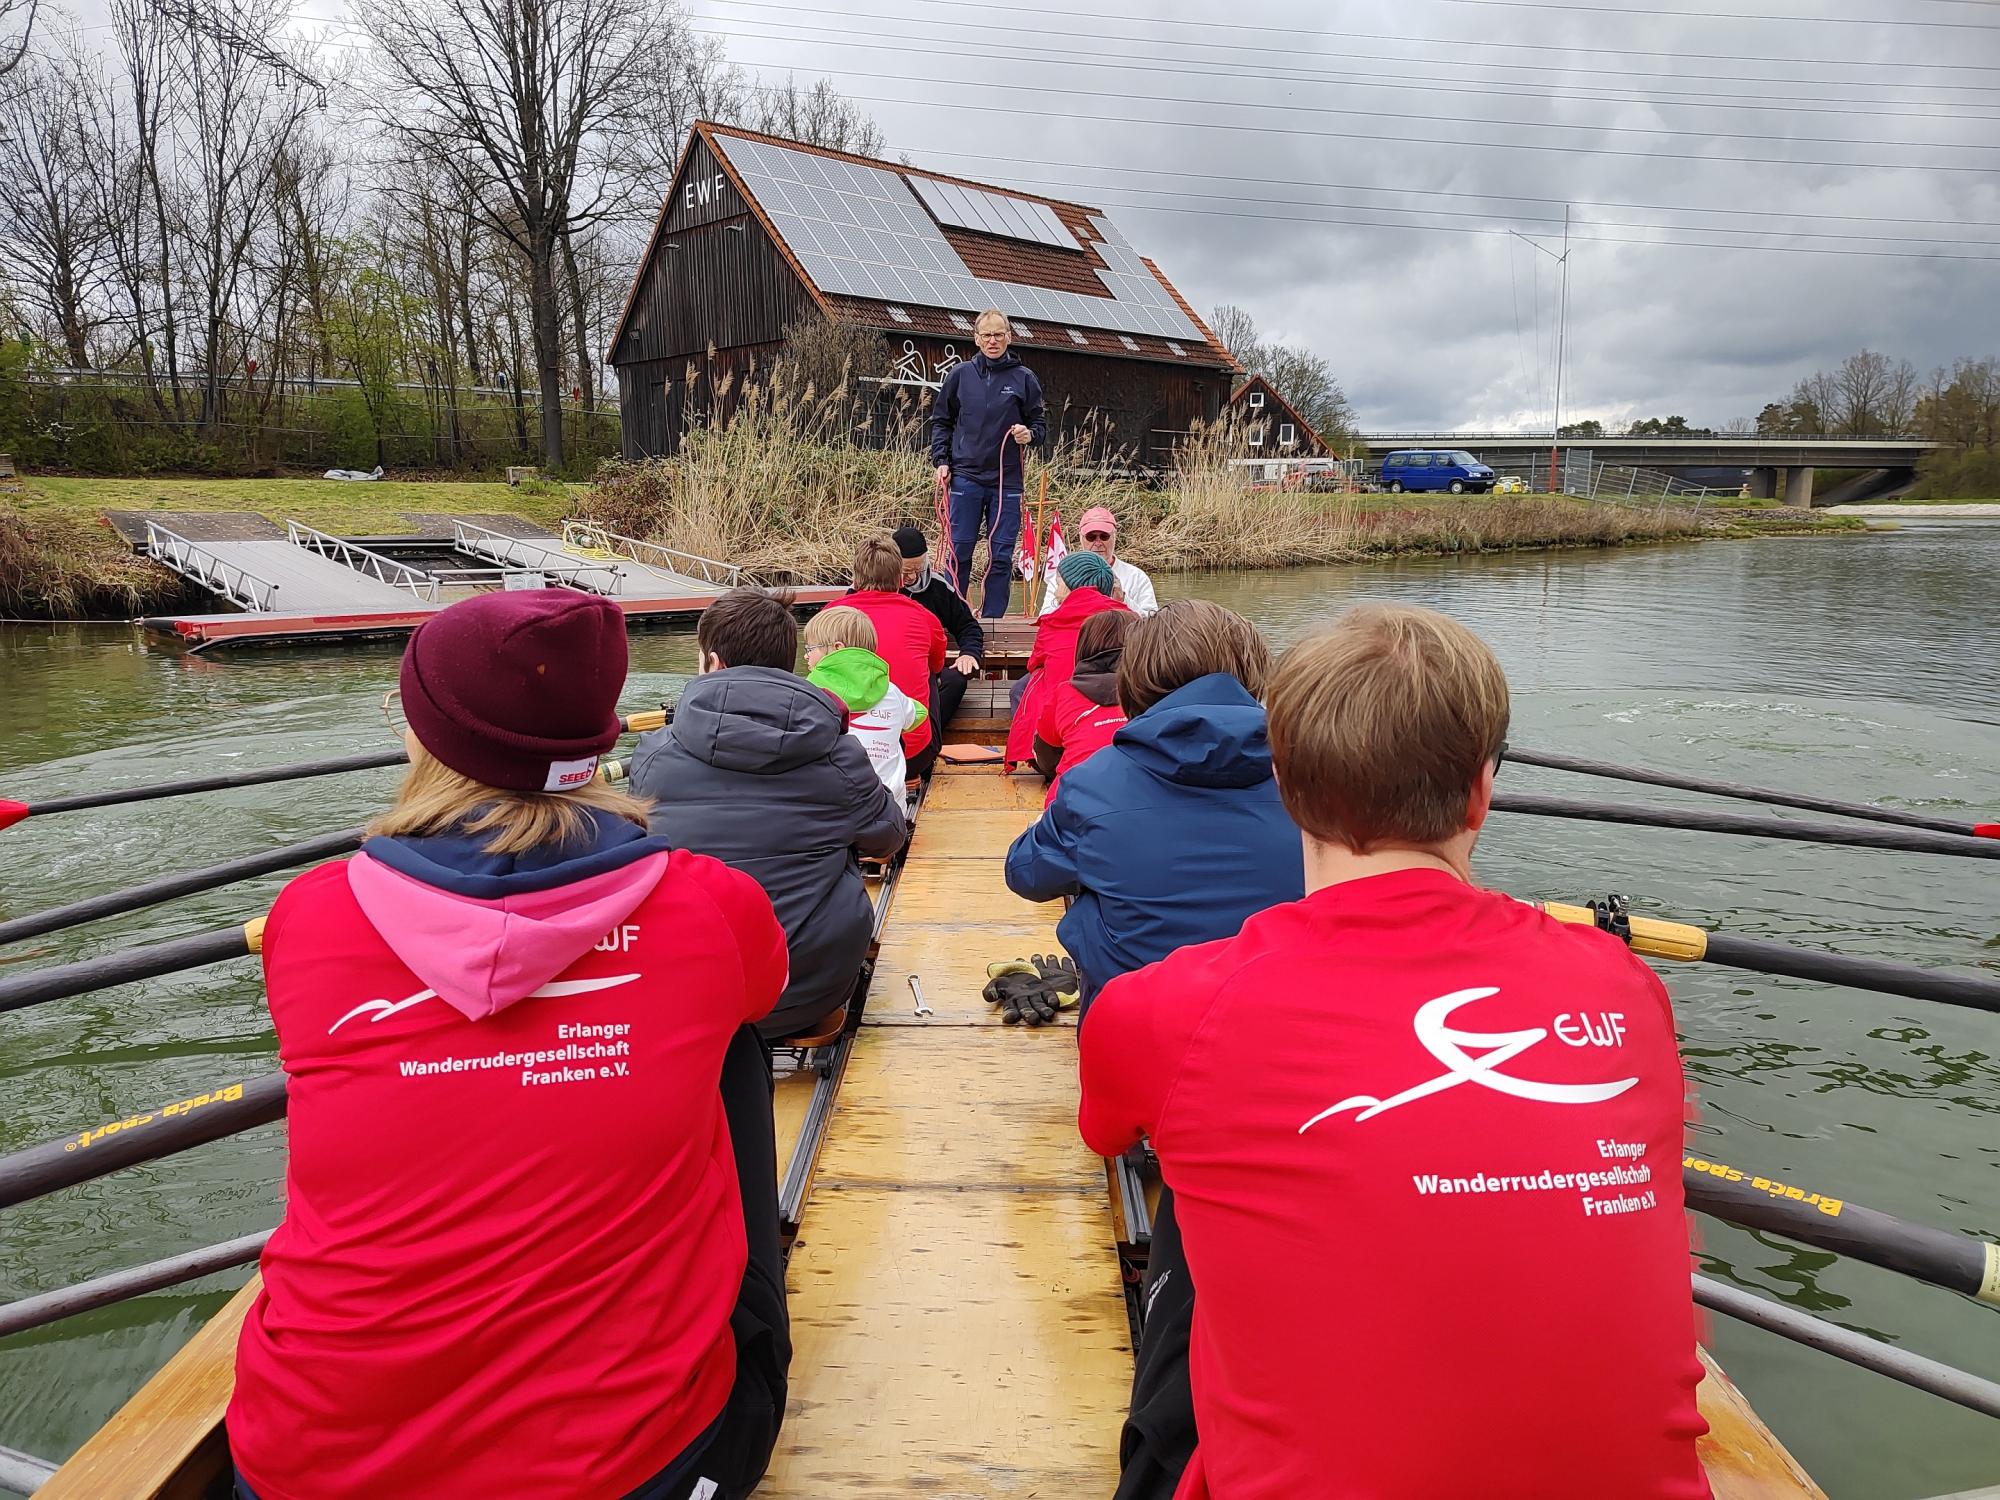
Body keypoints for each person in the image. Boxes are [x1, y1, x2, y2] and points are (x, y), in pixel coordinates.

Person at [1078, 602, 1711, 1500]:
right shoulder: (1626, 987)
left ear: (1286, 784)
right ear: (1480, 792)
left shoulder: (1162, 1008)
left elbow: (1107, 1139)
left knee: (1190, 1210)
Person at [230, 589, 793, 1500]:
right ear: (601, 735)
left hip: (306, 1464)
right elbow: (766, 991)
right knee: (734, 1044)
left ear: (422, 731)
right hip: (624, 1470)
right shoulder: (712, 903)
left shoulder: (310, 913)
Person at [630, 587, 906, 1042]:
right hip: (805, 988)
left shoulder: (653, 755)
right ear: (790, 664)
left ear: (712, 662)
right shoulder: (839, 752)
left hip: (695, 993)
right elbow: (887, 839)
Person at [1004, 599, 1302, 1013]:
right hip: (1277, 1023)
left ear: (1136, 678)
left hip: (1137, 1036)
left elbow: (1025, 875)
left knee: (1088, 876)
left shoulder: (1093, 782)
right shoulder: (1314, 780)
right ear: (1252, 671)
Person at [930, 309, 1045, 620]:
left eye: (999, 334)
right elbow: (941, 421)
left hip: (1007, 481)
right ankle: (955, 616)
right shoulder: (959, 375)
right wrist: (941, 460)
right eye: (987, 335)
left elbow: (1040, 426)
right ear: (976, 339)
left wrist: (1029, 434)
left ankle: (993, 620)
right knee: (960, 550)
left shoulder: (1024, 378)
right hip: (965, 476)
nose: (993, 340)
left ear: (1009, 336)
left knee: (1001, 554)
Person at [1003, 550, 1128, 767]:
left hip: (1061, 744)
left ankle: (1030, 752)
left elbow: (1034, 663)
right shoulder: (1130, 619)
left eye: (1059, 581)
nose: (1056, 587)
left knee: (1035, 680)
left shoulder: (1053, 623)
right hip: (1125, 738)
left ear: (1071, 586)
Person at [843, 535, 949, 779]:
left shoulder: (831, 614)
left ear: (856, 577)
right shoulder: (924, 617)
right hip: (913, 756)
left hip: (844, 757)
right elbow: (937, 665)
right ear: (899, 578)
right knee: (930, 672)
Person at [804, 604, 927, 799]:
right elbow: (919, 713)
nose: (806, 655)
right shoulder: (891, 691)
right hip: (890, 809)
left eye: (810, 649)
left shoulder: (810, 693)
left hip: (835, 809)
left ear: (837, 648)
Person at [1030, 607, 1132, 804]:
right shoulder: (1155, 695)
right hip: (1136, 803)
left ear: (1084, 646)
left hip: (1069, 804)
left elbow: (1045, 756)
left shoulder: (1064, 692)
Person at [892, 522, 983, 731]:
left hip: (927, 666)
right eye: (906, 572)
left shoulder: (939, 586)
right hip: (888, 667)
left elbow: (968, 625)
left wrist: (969, 653)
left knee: (956, 681)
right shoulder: (876, 584)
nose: (913, 577)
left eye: (918, 569)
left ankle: (929, 733)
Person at [1038, 506, 1157, 617]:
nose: (1098, 542)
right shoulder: (1064, 576)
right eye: (1091, 537)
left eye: (1104, 536)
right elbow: (1045, 617)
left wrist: (1124, 600)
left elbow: (1152, 623)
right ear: (1081, 537)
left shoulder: (1137, 577)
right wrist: (1062, 601)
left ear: (1115, 536)